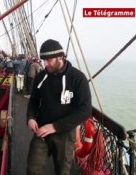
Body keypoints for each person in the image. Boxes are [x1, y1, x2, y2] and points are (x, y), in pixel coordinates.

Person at [26, 39, 92, 175]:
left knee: (62, 171)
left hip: (65, 134)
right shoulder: (41, 77)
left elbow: (85, 110)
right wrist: (31, 118)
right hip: (42, 131)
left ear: (61, 57)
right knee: (33, 169)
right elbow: (33, 100)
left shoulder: (78, 78)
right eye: (44, 60)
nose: (45, 64)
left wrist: (55, 126)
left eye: (49, 60)